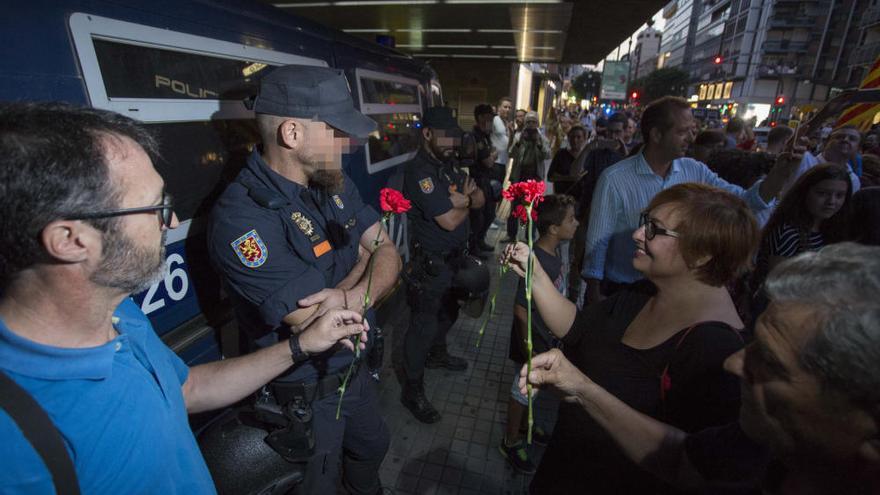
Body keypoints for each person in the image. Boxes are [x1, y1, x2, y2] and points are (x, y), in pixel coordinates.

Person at [0, 102, 370, 494]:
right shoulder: (15, 440)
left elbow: (186, 389)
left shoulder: (118, 314)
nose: (172, 222)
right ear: (71, 241)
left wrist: (298, 347)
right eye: (157, 207)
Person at [521, 242, 880, 495]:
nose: (735, 362)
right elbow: (683, 460)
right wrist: (581, 388)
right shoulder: (751, 441)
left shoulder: (711, 344)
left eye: (770, 363)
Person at [207, 66, 399, 494]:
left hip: (353, 365)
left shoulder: (330, 180)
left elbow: (388, 251)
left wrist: (349, 292)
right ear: (292, 133)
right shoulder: (242, 218)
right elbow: (313, 321)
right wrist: (364, 272)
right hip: (309, 391)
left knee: (373, 445)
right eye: (336, 131)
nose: (348, 144)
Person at [507, 183, 757, 494]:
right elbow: (576, 327)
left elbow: (688, 464)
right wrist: (536, 273)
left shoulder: (719, 353)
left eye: (655, 229)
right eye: (645, 222)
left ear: (703, 254)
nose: (638, 234)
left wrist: (582, 389)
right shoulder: (644, 292)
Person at [582, 96, 800, 304]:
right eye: (683, 132)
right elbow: (597, 242)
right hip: (623, 291)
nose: (691, 138)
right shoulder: (615, 178)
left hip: (675, 293)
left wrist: (780, 173)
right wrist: (594, 295)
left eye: (692, 130)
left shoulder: (694, 170)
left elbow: (744, 201)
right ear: (657, 134)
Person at [401, 106, 486, 423]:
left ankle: (437, 355)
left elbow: (479, 199)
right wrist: (462, 200)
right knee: (422, 327)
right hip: (431, 266)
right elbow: (449, 220)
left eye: (455, 136)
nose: (452, 141)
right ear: (427, 134)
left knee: (449, 313)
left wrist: (462, 199)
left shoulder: (449, 167)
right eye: (445, 135)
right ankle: (412, 389)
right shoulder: (419, 172)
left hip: (456, 263)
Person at [499, 195, 578, 474]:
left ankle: (524, 425)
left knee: (533, 390)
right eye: (571, 219)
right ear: (553, 228)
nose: (577, 223)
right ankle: (510, 441)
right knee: (522, 390)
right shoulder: (538, 260)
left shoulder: (558, 251)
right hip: (533, 340)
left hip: (547, 337)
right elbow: (521, 309)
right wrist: (528, 348)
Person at [753, 164, 853, 294]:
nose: (831, 201)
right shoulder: (788, 232)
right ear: (805, 192)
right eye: (822, 193)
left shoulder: (832, 229)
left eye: (839, 196)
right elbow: (779, 284)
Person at [505, 111, 549, 242]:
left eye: (533, 122)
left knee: (532, 210)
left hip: (534, 180)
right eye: (528, 122)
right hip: (519, 177)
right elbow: (510, 154)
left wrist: (538, 143)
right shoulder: (519, 137)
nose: (530, 125)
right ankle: (511, 235)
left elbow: (547, 155)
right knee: (515, 209)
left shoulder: (542, 138)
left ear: (538, 124)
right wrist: (518, 142)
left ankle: (529, 237)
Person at [461, 103, 498, 256]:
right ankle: (473, 248)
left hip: (486, 179)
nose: (491, 119)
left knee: (490, 214)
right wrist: (493, 155)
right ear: (481, 117)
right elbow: (488, 160)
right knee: (478, 217)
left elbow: (491, 154)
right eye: (489, 116)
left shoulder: (485, 135)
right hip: (477, 181)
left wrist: (492, 155)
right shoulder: (474, 136)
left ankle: (480, 241)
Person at [547, 124, 588, 197]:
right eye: (572, 137)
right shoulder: (561, 154)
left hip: (581, 200)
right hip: (562, 198)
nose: (575, 140)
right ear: (568, 138)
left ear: (584, 139)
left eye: (578, 137)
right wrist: (568, 178)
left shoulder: (587, 157)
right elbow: (550, 177)